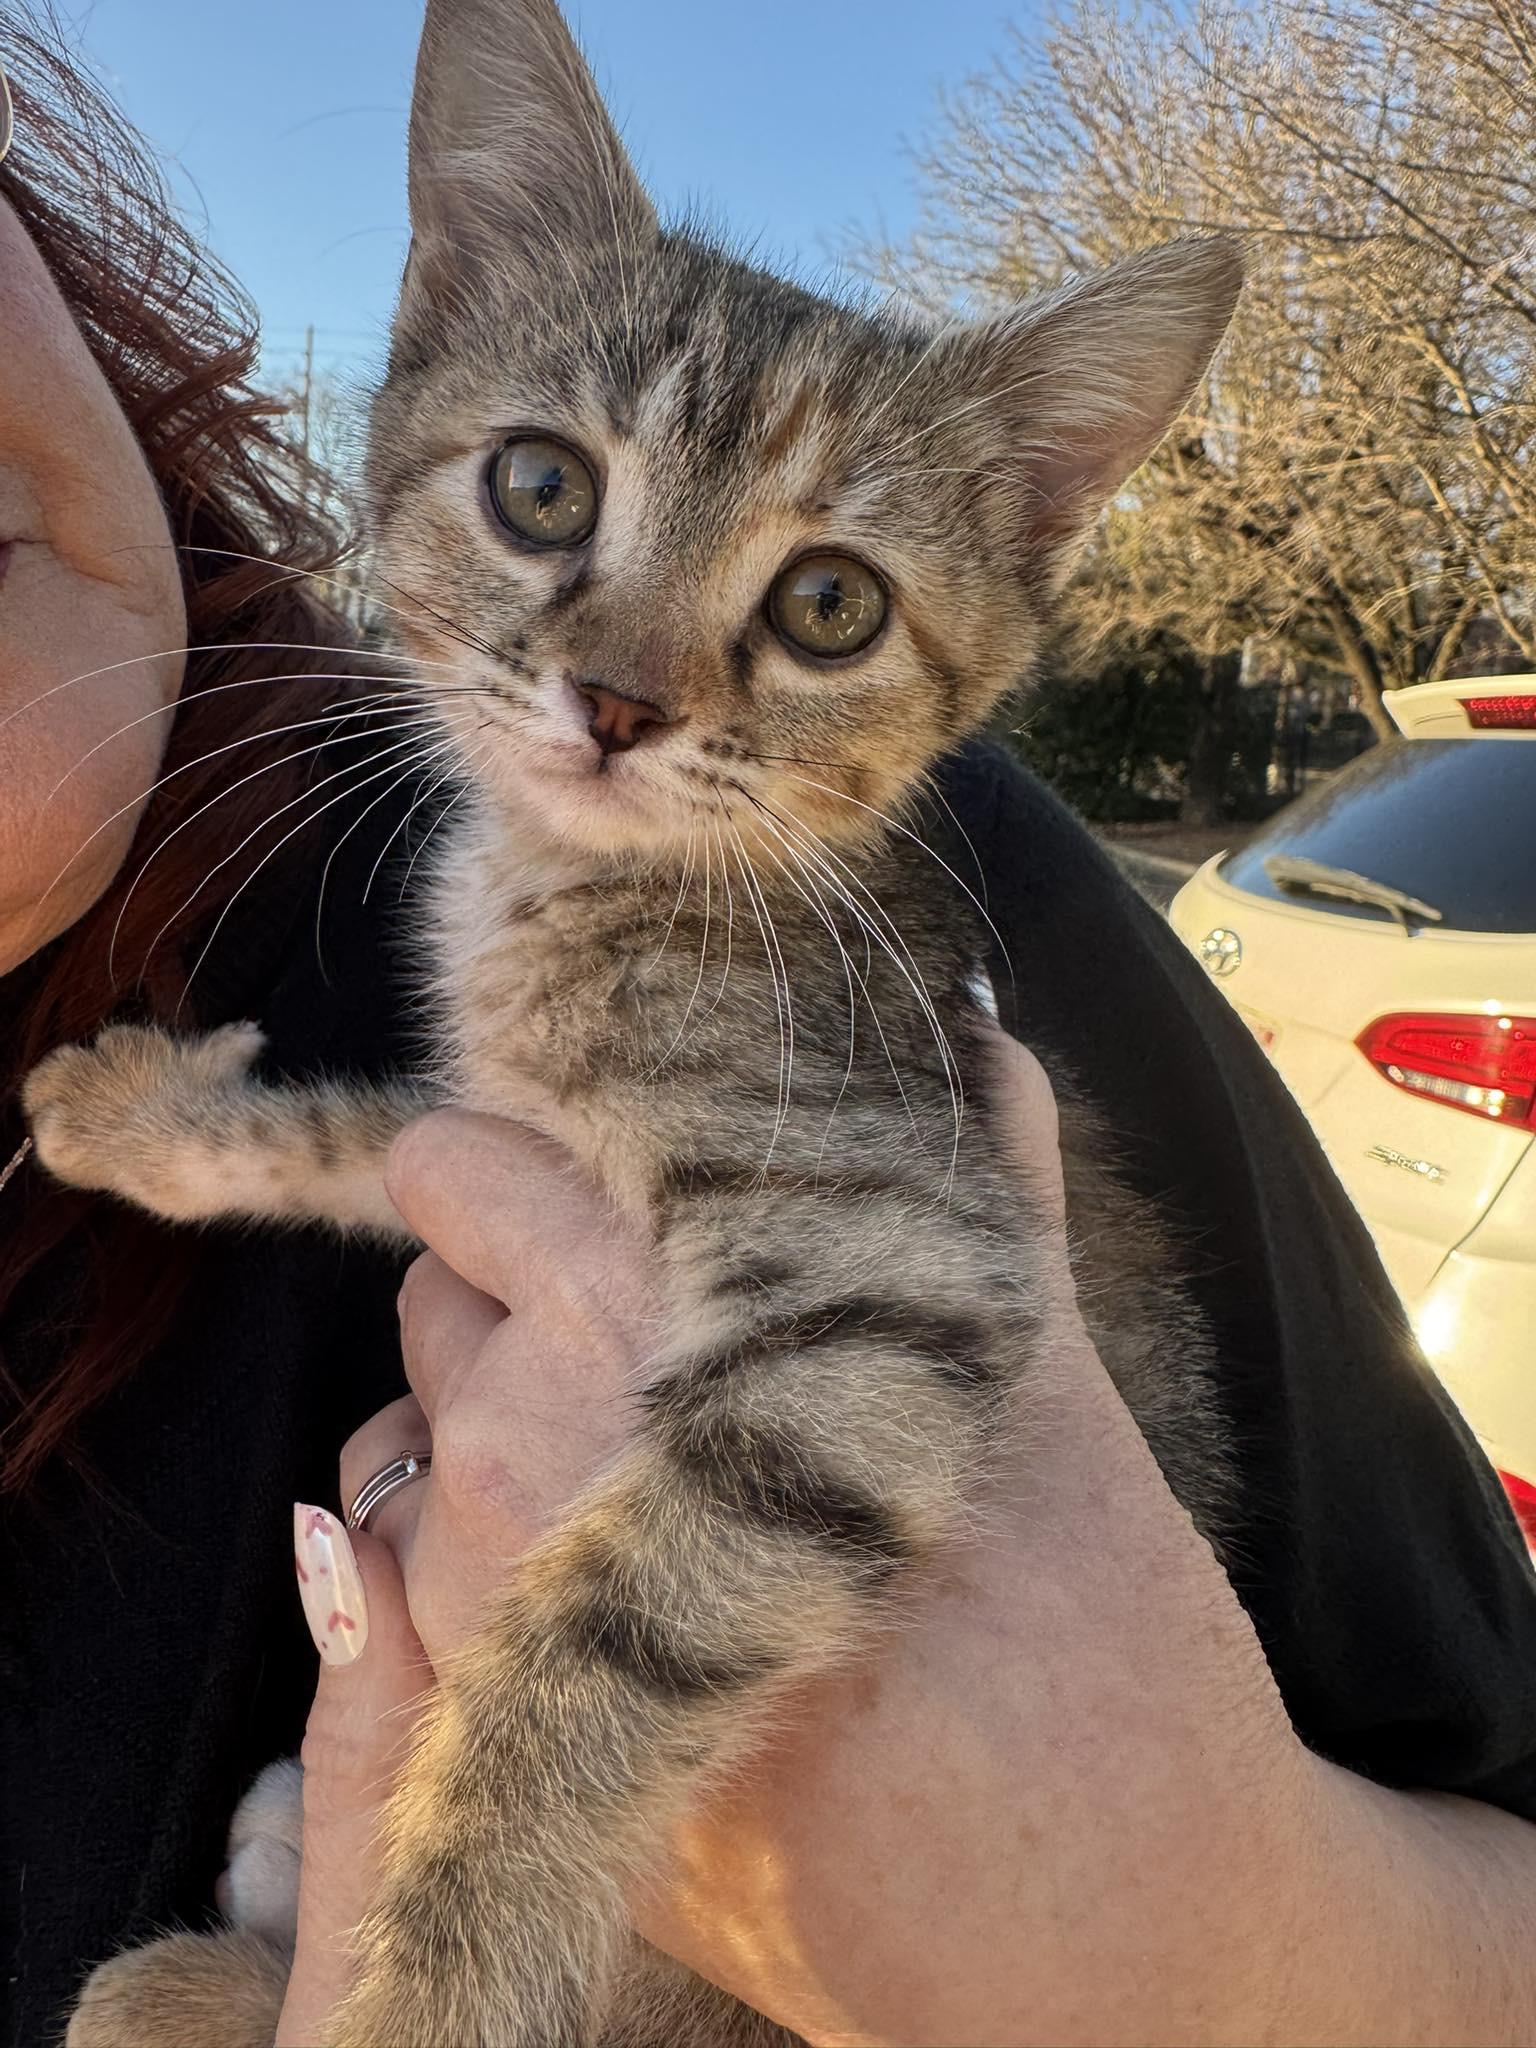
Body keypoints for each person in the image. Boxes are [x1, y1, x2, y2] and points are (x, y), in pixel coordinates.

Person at [3, 17, 1536, 2047]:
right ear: (436, 317)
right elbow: (526, 1193)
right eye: (547, 491)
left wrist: (1235, 1933)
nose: (625, 681)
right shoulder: (478, 884)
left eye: (821, 607)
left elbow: (869, 1362)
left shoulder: (896, 941)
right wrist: (216, 1144)